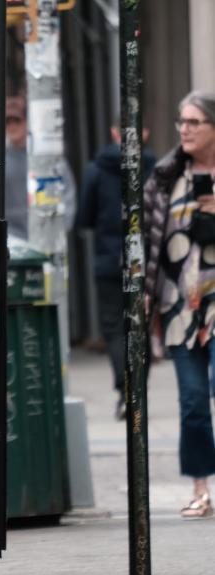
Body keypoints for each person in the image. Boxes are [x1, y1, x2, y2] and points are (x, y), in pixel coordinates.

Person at [144, 91, 215, 518]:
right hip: (179, 309)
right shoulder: (164, 177)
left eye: (194, 122)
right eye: (181, 122)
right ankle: (201, 487)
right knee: (191, 402)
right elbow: (144, 241)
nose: (184, 129)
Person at [77, 127, 156, 420]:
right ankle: (138, 392)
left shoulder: (96, 170)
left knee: (113, 329)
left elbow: (85, 216)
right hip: (145, 260)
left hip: (109, 259)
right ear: (144, 133)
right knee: (141, 326)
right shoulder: (153, 167)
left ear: (112, 133)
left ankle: (125, 393)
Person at [4, 96, 76, 240]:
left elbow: (68, 192)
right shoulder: (0, 159)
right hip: (13, 240)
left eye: (16, 121)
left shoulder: (47, 156)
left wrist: (60, 228)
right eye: (7, 122)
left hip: (47, 237)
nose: (12, 126)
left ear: (27, 122)